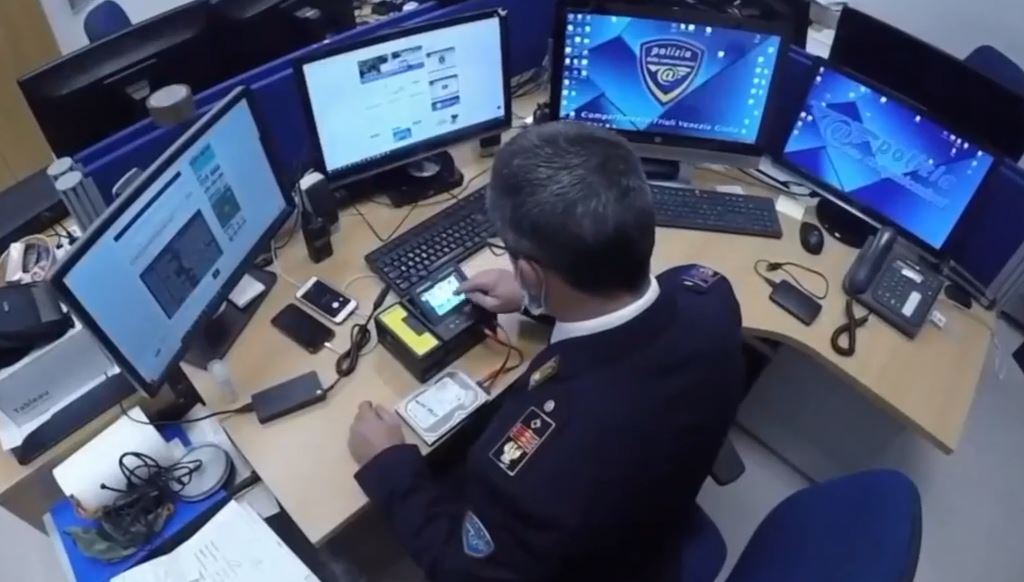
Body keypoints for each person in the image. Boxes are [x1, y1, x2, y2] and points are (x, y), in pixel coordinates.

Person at [348, 122, 747, 581]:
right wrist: (533, 300)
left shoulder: (533, 477)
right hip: (650, 519)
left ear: (531, 273)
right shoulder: (710, 297)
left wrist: (389, 466)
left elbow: (463, 570)